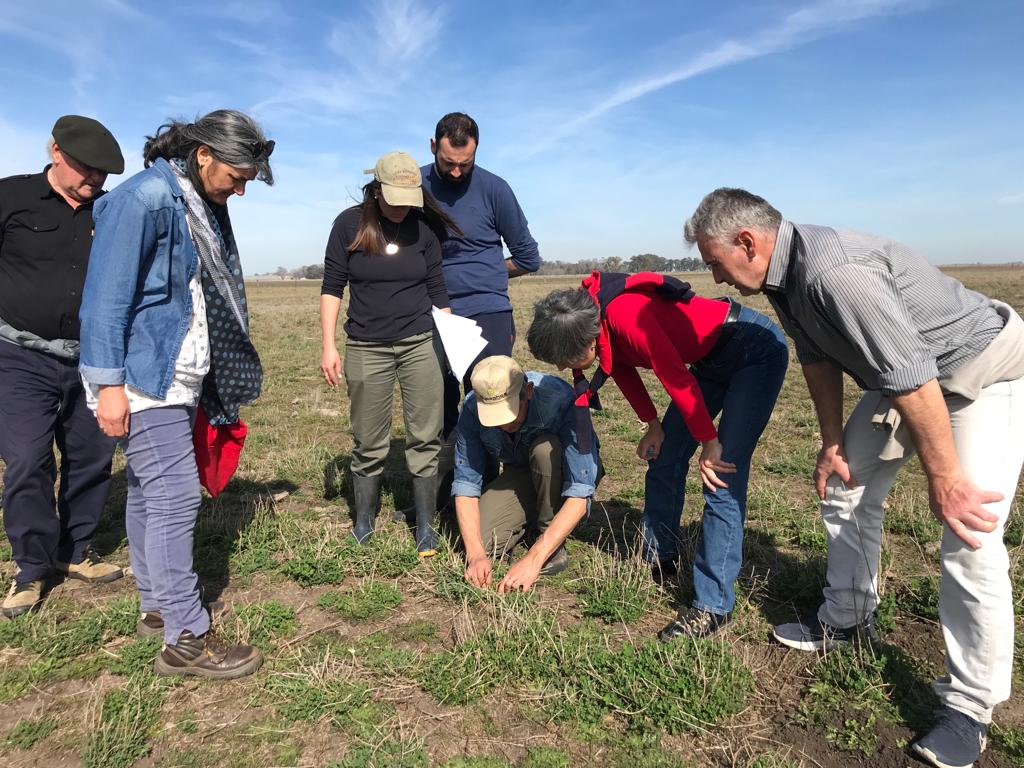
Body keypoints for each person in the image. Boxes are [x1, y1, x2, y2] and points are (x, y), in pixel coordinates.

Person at [683, 187, 1024, 768]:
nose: (715, 278)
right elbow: (817, 359)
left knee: (969, 532)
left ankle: (970, 707)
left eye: (715, 262)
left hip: (982, 372)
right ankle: (847, 619)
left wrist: (944, 478)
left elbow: (912, 374)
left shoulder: (834, 273)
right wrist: (833, 441)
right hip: (909, 379)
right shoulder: (782, 279)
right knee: (845, 486)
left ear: (747, 242)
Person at [79, 109, 274, 679]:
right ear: (204, 154)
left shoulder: (193, 202)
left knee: (146, 491)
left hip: (175, 373)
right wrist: (109, 385)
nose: (239, 190)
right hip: (143, 376)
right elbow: (106, 300)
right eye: (236, 176)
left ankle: (157, 607)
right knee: (176, 496)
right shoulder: (145, 200)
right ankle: (186, 636)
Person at [528, 272, 788, 638]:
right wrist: (652, 423)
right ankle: (661, 554)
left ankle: (713, 606)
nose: (562, 368)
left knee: (721, 474)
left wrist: (709, 440)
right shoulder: (598, 323)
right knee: (665, 457)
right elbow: (621, 369)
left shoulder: (626, 316)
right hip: (709, 360)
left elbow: (675, 378)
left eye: (564, 358)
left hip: (751, 349)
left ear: (586, 340)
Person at [0, 115, 125, 618]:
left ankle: (78, 551)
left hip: (92, 359)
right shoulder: (11, 197)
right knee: (27, 460)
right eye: (86, 168)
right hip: (18, 355)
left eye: (103, 173)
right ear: (55, 151)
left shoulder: (113, 213)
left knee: (92, 456)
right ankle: (30, 567)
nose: (94, 179)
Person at [321, 151, 459, 556]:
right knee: (369, 439)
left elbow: (438, 291)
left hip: (420, 343)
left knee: (425, 436)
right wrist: (329, 345)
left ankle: (425, 524)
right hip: (366, 345)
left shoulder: (425, 231)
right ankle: (364, 519)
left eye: (408, 197)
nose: (401, 207)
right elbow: (332, 286)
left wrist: (450, 342)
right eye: (394, 197)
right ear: (377, 189)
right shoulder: (349, 224)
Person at [420, 112, 541, 457]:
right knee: (438, 406)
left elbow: (528, 257)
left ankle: (489, 487)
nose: (456, 171)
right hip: (434, 314)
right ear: (433, 147)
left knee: (491, 401)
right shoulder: (414, 188)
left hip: (488, 314)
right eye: (448, 163)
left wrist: (487, 271)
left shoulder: (495, 189)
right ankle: (443, 490)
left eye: (466, 163)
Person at [449, 356, 601, 592]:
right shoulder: (471, 408)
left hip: (564, 471)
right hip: (523, 473)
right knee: (478, 540)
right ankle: (531, 515)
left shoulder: (562, 400)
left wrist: (534, 558)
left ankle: (548, 536)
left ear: (528, 391)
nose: (502, 425)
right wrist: (476, 555)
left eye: (509, 412)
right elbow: (466, 484)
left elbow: (581, 492)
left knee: (544, 449)